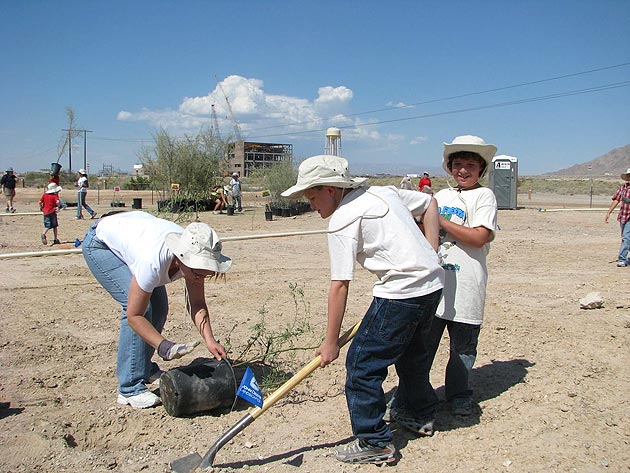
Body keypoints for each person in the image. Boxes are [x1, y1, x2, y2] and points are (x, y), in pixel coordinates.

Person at [281, 155, 444, 464]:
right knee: (411, 354)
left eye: (312, 196)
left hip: (401, 294)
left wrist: (330, 342)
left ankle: (374, 441)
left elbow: (340, 285)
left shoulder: (342, 220)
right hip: (432, 285)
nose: (310, 203)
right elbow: (429, 204)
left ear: (330, 189)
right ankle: (419, 413)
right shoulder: (383, 191)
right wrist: (431, 252)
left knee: (362, 364)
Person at [82, 212, 232, 409]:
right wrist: (164, 346)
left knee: (160, 308)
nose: (200, 278)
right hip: (101, 244)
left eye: (207, 273)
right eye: (197, 272)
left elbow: (196, 303)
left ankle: (143, 367)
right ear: (181, 258)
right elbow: (134, 316)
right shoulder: (152, 261)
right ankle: (129, 388)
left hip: (134, 235)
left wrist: (210, 340)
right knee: (142, 310)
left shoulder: (194, 257)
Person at [428, 135, 498, 416]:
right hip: (435, 285)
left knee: (463, 348)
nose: (464, 170)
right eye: (458, 164)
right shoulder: (441, 197)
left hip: (468, 283)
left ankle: (458, 394)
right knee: (422, 347)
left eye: (471, 164)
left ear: (481, 169)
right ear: (449, 167)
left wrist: (439, 221)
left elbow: (479, 237)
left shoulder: (484, 196)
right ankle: (412, 396)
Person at [605, 167, 630, 267]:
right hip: (623, 216)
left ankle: (622, 259)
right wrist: (609, 212)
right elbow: (616, 200)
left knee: (626, 238)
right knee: (626, 238)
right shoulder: (622, 188)